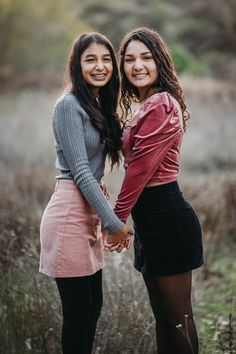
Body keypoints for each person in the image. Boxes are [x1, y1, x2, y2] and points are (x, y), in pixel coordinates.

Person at [108, 27, 204, 354]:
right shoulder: (145, 105)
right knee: (165, 319)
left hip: (167, 217)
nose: (137, 65)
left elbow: (139, 170)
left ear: (159, 61)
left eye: (146, 57)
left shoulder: (161, 103)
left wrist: (115, 222)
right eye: (129, 59)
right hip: (151, 221)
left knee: (177, 320)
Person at [39, 32, 132, 354]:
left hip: (89, 210)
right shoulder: (68, 105)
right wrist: (113, 223)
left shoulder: (97, 104)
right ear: (77, 64)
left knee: (92, 311)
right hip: (69, 213)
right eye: (90, 59)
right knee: (78, 317)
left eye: (106, 59)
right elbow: (80, 171)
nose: (100, 66)